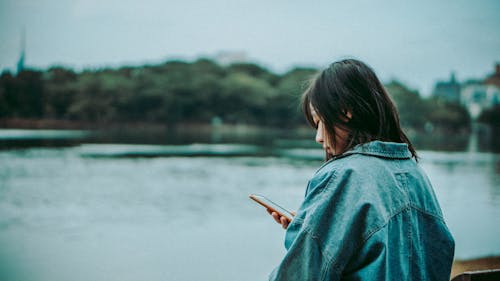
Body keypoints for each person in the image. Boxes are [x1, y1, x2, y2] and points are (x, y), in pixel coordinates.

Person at [267, 59, 455, 280]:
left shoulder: (342, 175)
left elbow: (299, 276)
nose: (318, 137)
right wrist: (312, 227)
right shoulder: (415, 173)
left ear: (345, 111)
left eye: (320, 122)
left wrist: (309, 238)